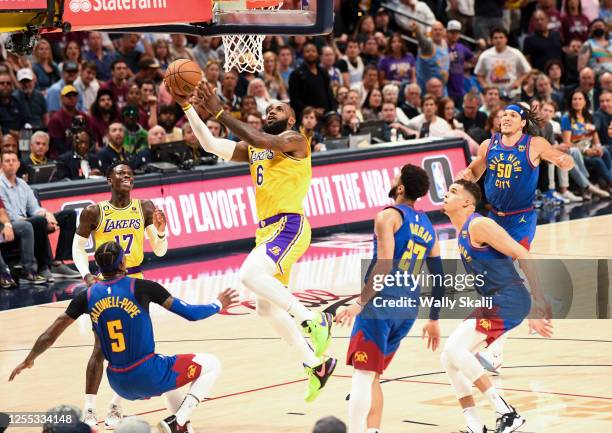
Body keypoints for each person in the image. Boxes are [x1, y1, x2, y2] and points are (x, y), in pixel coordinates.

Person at [175, 81, 337, 407]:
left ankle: (313, 320)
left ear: (291, 119)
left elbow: (264, 139)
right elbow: (208, 144)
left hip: (288, 225)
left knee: (249, 275)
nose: (270, 111)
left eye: (278, 108)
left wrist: (219, 110)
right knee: (265, 307)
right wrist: (187, 107)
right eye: (268, 109)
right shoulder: (255, 148)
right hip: (267, 231)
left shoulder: (295, 140)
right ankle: (316, 365)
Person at [9, 241, 239, 433]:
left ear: (97, 266)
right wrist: (218, 303)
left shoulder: (86, 296)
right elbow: (191, 314)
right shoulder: (143, 287)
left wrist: (29, 359)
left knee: (170, 379)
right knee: (211, 364)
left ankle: (182, 424)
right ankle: (177, 421)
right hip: (147, 373)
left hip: (118, 382)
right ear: (123, 263)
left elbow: (50, 335)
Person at [456, 104, 574, 374]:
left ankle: (495, 352)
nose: (505, 118)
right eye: (503, 115)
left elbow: (552, 154)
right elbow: (475, 172)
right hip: (493, 217)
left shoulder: (534, 143)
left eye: (512, 115)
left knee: (508, 275)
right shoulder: (489, 144)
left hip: (520, 220)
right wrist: (465, 177)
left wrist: (562, 160)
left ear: (522, 123)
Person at [335, 164, 444, 433]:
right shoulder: (428, 225)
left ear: (402, 187)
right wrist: (434, 319)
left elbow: (384, 265)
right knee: (373, 376)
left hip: (381, 304)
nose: (392, 179)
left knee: (361, 376)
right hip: (407, 309)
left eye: (396, 177)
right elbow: (440, 277)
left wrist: (359, 303)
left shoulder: (388, 217)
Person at [441, 179, 553, 433]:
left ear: (467, 203)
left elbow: (522, 254)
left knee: (455, 348)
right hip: (495, 299)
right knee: (448, 357)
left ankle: (506, 412)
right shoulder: (462, 232)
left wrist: (538, 304)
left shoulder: (479, 224)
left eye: (454, 192)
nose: (447, 195)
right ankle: (474, 424)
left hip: (509, 298)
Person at [71, 161, 169, 427]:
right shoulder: (94, 211)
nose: (127, 176)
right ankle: (89, 408)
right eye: (120, 173)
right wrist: (86, 274)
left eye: (130, 174)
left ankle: (116, 406)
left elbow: (159, 251)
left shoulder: (145, 208)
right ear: (108, 180)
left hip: (136, 283)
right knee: (101, 347)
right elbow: (77, 248)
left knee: (134, 350)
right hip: (107, 284)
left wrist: (161, 231)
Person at [0, 150, 80, 283]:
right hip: (11, 223)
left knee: (69, 215)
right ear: (1, 165)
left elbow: (34, 208)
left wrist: (48, 215)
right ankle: (43, 266)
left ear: (19, 164)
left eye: (14, 161)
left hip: (29, 219)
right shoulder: (1, 185)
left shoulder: (22, 184)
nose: (11, 164)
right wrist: (41, 219)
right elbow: (9, 215)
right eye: (7, 161)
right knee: (38, 221)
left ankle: (58, 262)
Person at [474, 28, 531, 97]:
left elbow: (527, 71)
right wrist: (485, 85)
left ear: (506, 39)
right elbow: (479, 74)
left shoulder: (516, 53)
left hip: (512, 92)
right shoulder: (485, 55)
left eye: (501, 37)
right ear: (491, 40)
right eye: (495, 38)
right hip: (493, 94)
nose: (498, 40)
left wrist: (518, 81)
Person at [413, 21, 450, 95]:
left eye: (440, 30)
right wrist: (417, 31)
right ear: (431, 32)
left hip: (442, 88)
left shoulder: (444, 43)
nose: (438, 32)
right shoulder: (428, 46)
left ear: (444, 32)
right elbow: (422, 41)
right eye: (435, 30)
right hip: (428, 90)